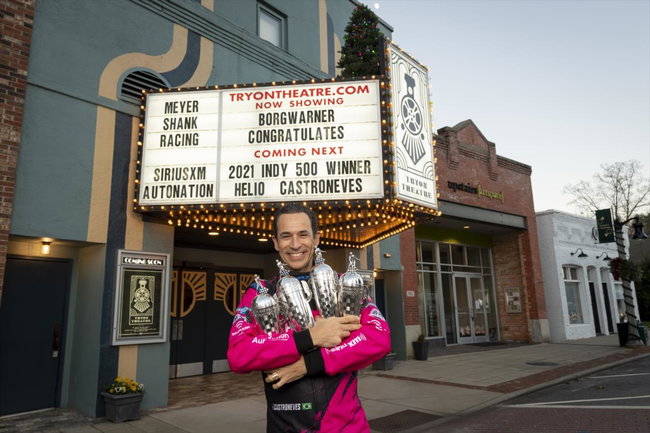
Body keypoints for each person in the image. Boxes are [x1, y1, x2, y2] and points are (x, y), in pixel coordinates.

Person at [227, 202, 391, 432]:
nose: (295, 244)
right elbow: (239, 355)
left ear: (316, 238)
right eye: (286, 236)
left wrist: (309, 364)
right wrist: (309, 338)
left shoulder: (344, 283)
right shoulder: (260, 294)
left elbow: (378, 338)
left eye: (303, 234)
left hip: (348, 427)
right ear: (275, 242)